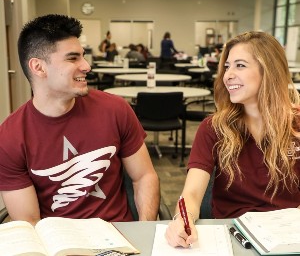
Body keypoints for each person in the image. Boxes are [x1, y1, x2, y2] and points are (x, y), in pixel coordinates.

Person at [0, 14, 160, 226]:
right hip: (60, 242)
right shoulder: (10, 138)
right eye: (73, 58)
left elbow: (144, 177)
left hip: (120, 237)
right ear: (38, 67)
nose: (86, 66)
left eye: (83, 56)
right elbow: (30, 221)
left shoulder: (115, 109)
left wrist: (145, 230)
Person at [165, 31, 300, 248]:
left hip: (290, 236)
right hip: (233, 237)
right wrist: (183, 219)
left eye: (240, 65)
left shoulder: (297, 124)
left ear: (269, 71)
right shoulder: (213, 128)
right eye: (227, 67)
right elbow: (191, 194)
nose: (227, 75)